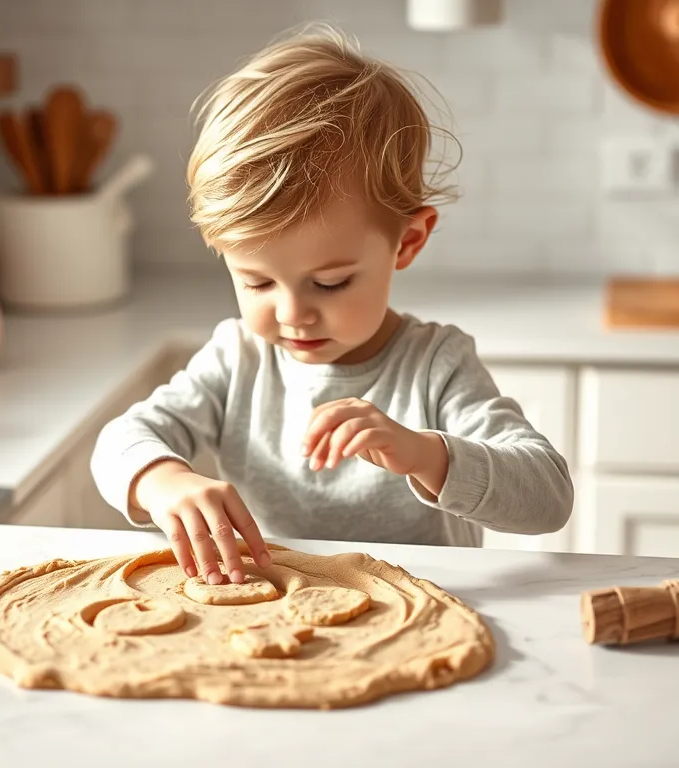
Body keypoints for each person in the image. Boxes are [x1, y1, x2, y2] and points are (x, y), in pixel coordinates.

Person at [89, 24, 574, 586]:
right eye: (257, 283)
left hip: (425, 622)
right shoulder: (237, 358)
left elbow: (548, 497)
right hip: (274, 621)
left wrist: (425, 454)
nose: (292, 313)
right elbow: (119, 441)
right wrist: (163, 479)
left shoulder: (436, 366)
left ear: (408, 242)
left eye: (331, 283)